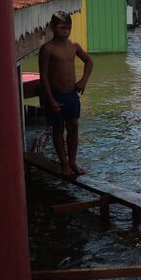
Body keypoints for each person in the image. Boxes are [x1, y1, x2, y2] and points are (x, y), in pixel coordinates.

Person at [38, 11, 94, 176]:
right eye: (62, 28)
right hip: (55, 95)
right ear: (52, 28)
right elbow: (44, 77)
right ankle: (63, 164)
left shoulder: (73, 45)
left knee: (74, 127)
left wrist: (84, 80)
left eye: (69, 28)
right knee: (58, 129)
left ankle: (72, 162)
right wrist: (50, 99)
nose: (66, 32)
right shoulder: (47, 49)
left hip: (71, 94)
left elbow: (89, 61)